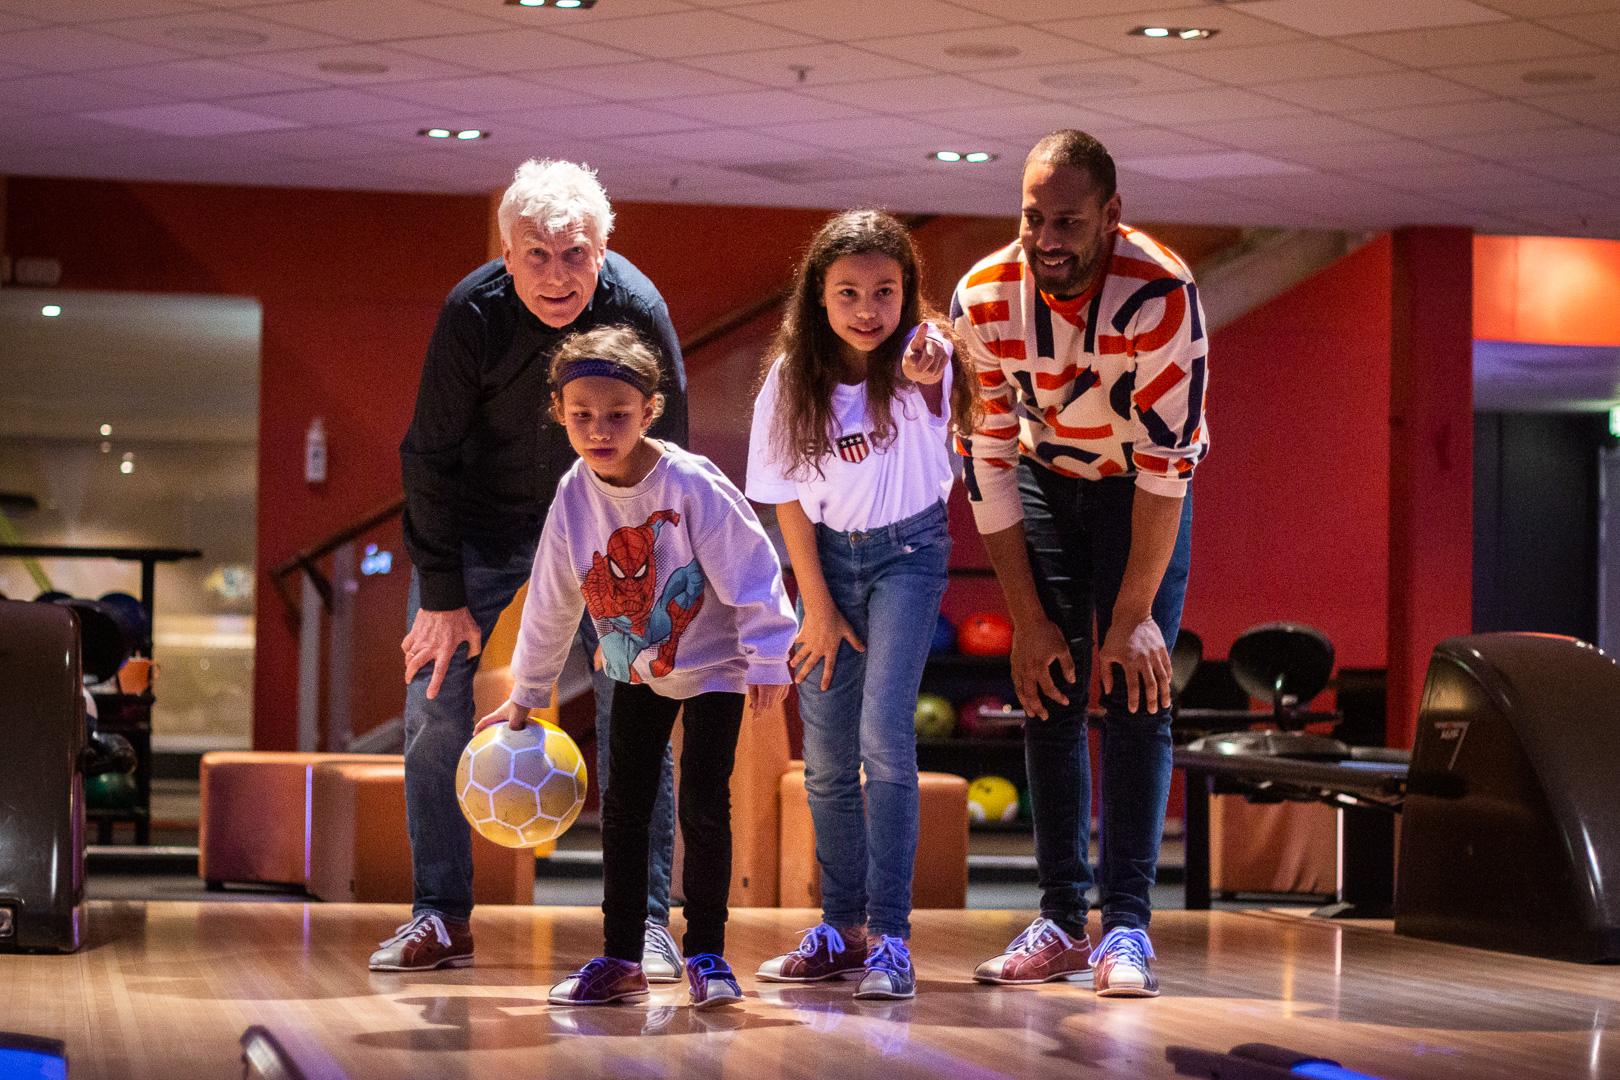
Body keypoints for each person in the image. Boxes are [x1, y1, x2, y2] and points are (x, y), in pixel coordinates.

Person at [373, 160, 685, 976]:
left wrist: (665, 593)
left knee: (638, 710)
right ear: (507, 256)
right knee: (434, 697)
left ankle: (644, 924)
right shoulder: (472, 314)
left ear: (603, 249)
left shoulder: (639, 309)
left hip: (602, 528)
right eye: (536, 256)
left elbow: (673, 463)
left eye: (574, 254)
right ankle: (439, 915)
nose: (556, 275)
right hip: (481, 526)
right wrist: (441, 597)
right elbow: (428, 455)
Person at [954, 130, 1208, 998]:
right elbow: (986, 456)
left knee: (1138, 688)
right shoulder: (983, 297)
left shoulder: (1162, 293)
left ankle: (1126, 926)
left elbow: (1170, 462)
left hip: (1139, 487)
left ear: (1111, 215)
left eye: (1068, 219)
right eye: (1033, 218)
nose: (1048, 238)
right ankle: (1061, 919)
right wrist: (1025, 620)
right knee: (1047, 688)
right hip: (1040, 478)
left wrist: (1135, 615)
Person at [478, 325, 796, 1009]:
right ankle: (620, 957)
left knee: (705, 807)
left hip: (714, 667)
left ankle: (707, 955)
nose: (599, 429)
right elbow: (553, 597)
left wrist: (770, 653)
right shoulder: (574, 493)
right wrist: (529, 692)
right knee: (624, 809)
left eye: (618, 415)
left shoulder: (688, 484)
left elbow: (752, 568)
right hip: (631, 668)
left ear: (650, 411)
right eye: (582, 415)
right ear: (559, 412)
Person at [745, 210, 974, 1001]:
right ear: (819, 296)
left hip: (910, 556)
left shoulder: (921, 362)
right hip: (825, 568)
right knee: (829, 753)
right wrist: (814, 605)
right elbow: (786, 504)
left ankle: (892, 937)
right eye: (847, 292)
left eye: (885, 290)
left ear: (909, 292)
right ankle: (841, 929)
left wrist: (931, 358)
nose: (867, 308)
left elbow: (937, 364)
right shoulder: (790, 378)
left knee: (884, 735)